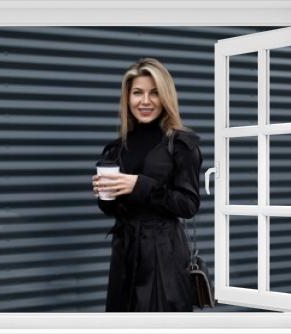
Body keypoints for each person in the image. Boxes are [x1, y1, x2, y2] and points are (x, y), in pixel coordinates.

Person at [92, 58, 203, 312]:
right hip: (125, 253)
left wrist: (139, 184)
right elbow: (113, 209)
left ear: (165, 97)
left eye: (154, 93)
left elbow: (188, 204)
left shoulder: (181, 144)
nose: (145, 101)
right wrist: (104, 195)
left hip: (163, 254)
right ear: (127, 97)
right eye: (138, 93)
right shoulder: (117, 148)